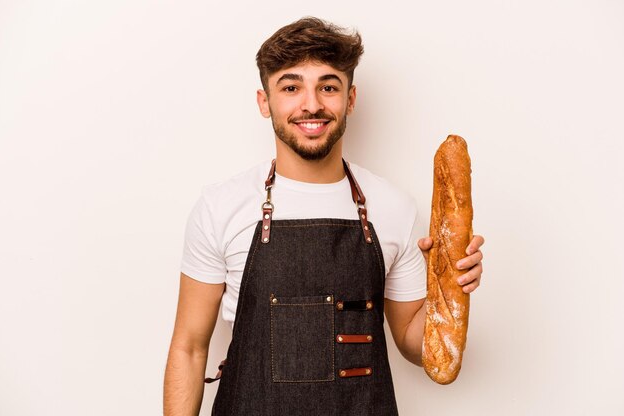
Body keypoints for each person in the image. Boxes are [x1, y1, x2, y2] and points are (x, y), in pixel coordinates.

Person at [163, 17, 484, 416]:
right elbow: (189, 348)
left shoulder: (394, 207)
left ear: (350, 100)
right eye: (291, 87)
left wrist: (448, 286)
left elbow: (413, 343)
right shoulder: (219, 207)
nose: (311, 104)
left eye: (328, 87)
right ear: (265, 102)